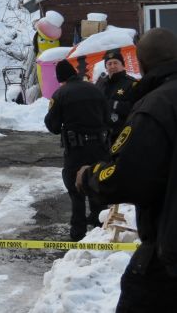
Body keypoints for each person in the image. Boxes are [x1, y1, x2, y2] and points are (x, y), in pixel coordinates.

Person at [76, 28, 177, 312]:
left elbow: (126, 178)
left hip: (168, 256)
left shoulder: (156, 106)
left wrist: (91, 177)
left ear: (140, 64)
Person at [44, 59, 109, 241]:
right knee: (97, 184)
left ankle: (78, 232)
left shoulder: (61, 94)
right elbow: (107, 117)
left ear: (60, 79)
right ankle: (99, 228)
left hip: (76, 149)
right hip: (100, 146)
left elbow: (54, 125)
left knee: (75, 189)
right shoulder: (96, 89)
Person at [94, 50, 138, 144]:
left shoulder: (131, 83)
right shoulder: (101, 82)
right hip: (101, 134)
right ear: (106, 67)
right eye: (109, 64)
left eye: (116, 63)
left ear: (123, 65)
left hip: (122, 134)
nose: (113, 66)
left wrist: (114, 104)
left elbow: (136, 107)